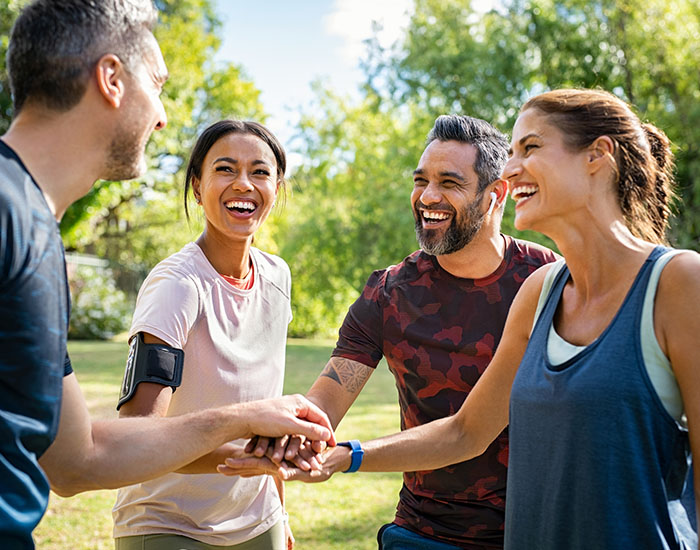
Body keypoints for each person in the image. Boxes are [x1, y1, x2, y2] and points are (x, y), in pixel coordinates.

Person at [225, 89, 699, 549]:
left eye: (530, 148)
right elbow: (464, 431)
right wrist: (293, 443)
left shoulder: (660, 283)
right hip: (430, 531)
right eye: (420, 180)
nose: (514, 169)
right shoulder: (533, 292)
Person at [0, 3, 333, 549]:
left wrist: (262, 456)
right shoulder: (11, 214)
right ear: (111, 79)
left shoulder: (38, 237)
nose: (160, 116)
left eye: (260, 171)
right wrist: (249, 418)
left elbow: (75, 461)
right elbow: (122, 438)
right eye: (155, 85)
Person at [245, 114, 557, 549]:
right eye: (420, 180)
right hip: (425, 532)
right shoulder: (389, 293)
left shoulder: (550, 280)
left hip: (538, 531)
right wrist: (282, 440)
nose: (427, 197)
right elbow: (323, 405)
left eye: (449, 182)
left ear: (495, 194)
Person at [112, 120, 297, 550]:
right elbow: (139, 436)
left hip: (256, 520)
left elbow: (266, 405)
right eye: (226, 169)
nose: (244, 184)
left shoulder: (277, 277)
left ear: (276, 186)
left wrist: (279, 509)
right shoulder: (177, 286)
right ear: (197, 187)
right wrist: (250, 459)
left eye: (260, 172)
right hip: (167, 523)